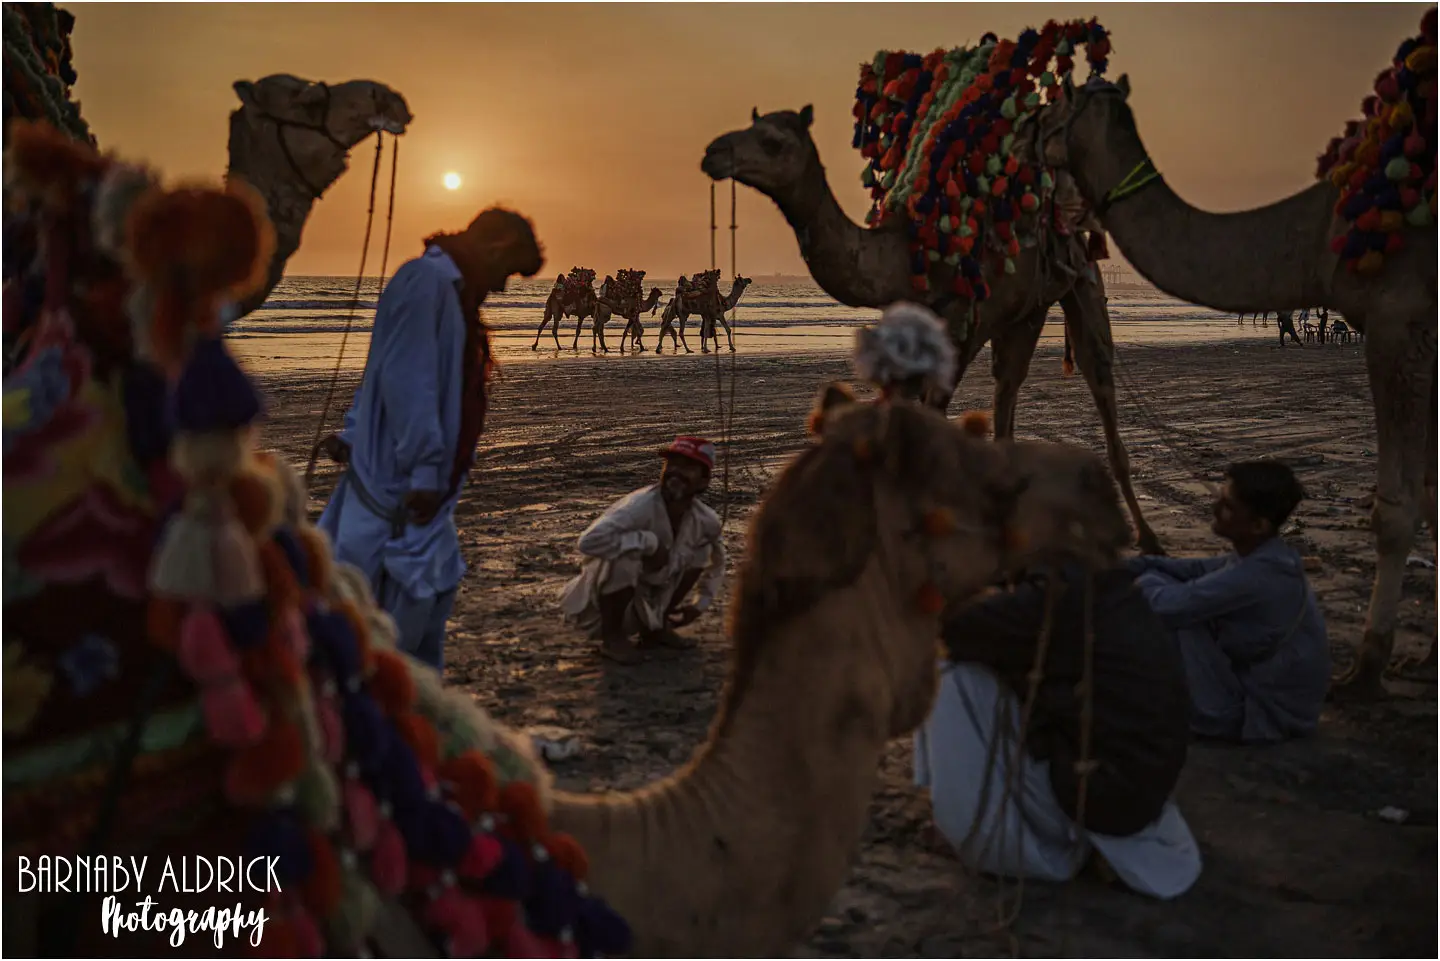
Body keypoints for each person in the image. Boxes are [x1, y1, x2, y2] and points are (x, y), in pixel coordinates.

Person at [316, 208, 543, 673]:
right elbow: (405, 377)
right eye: (506, 272)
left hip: (419, 487)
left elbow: (389, 369)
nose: (502, 287)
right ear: (494, 248)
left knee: (422, 608)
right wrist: (421, 468)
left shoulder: (449, 292)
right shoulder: (426, 283)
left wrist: (355, 432)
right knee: (384, 619)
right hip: (400, 486)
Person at [914, 548, 1201, 900]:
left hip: (1099, 794)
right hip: (1133, 783)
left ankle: (972, 829)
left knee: (946, 673)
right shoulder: (1101, 579)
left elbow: (952, 628)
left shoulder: (1054, 599)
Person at [1128, 461, 1330, 743]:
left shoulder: (1259, 575)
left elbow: (1166, 605)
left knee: (1163, 604)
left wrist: (1126, 578)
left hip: (1263, 716)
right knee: (1157, 580)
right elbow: (1195, 570)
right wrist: (1129, 566)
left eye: (1228, 506)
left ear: (1258, 525)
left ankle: (1197, 716)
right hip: (1270, 701)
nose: (1215, 510)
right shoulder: (1265, 556)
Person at [559, 436, 726, 664]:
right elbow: (589, 542)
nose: (676, 472)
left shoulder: (705, 520)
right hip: (599, 608)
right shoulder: (639, 507)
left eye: (687, 467)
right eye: (672, 465)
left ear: (703, 482)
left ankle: (657, 628)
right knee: (624, 556)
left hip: (652, 600)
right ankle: (613, 639)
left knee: (701, 552)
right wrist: (647, 542)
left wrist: (700, 604)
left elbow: (716, 563)